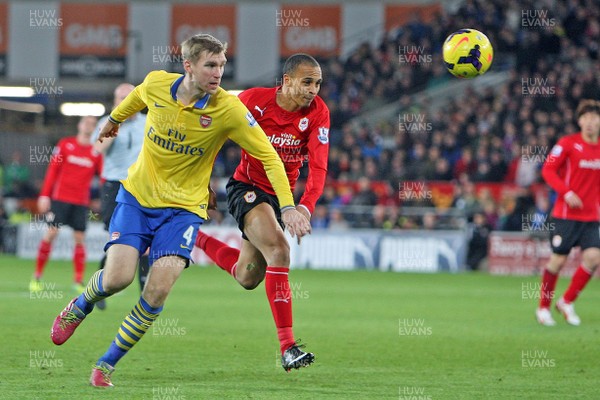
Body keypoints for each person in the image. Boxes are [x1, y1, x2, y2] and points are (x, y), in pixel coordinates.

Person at [49, 34, 311, 388]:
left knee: (156, 290)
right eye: (211, 65)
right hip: (137, 200)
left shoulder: (229, 110)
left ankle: (106, 364)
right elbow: (136, 97)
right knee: (117, 278)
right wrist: (114, 120)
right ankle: (80, 305)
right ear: (188, 66)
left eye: (222, 65)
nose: (219, 73)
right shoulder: (157, 83)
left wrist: (288, 205)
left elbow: (269, 156)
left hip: (183, 213)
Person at [194, 53, 329, 372]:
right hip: (247, 188)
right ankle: (288, 347)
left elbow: (319, 167)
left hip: (281, 196)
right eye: (307, 82)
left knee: (247, 276)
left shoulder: (318, 112)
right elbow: (212, 135)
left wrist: (304, 208)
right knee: (280, 251)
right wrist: (203, 182)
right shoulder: (253, 100)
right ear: (286, 81)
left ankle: (191, 236)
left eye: (318, 83)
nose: (313, 90)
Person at [536, 99, 600, 326]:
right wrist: (566, 191)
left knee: (594, 258)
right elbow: (548, 169)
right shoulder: (567, 143)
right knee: (558, 261)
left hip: (592, 216)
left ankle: (566, 301)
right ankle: (543, 307)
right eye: (586, 118)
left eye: (595, 118)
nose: (591, 122)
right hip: (566, 215)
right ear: (580, 121)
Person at [30, 116, 102, 293]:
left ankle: (78, 281)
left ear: (95, 128)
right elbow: (52, 170)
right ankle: (37, 277)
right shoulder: (65, 144)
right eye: (86, 122)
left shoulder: (96, 151)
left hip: (80, 203)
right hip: (60, 199)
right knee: (51, 233)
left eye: (93, 124)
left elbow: (103, 177)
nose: (88, 126)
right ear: (79, 125)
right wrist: (44, 195)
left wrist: (106, 197)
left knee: (79, 239)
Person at [92, 83, 147, 310]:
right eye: (121, 98)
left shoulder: (148, 122)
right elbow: (98, 149)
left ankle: (146, 295)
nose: (125, 102)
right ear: (115, 101)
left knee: (145, 240)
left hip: (142, 186)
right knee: (117, 239)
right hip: (114, 186)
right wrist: (117, 121)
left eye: (129, 98)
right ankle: (101, 284)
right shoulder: (107, 122)